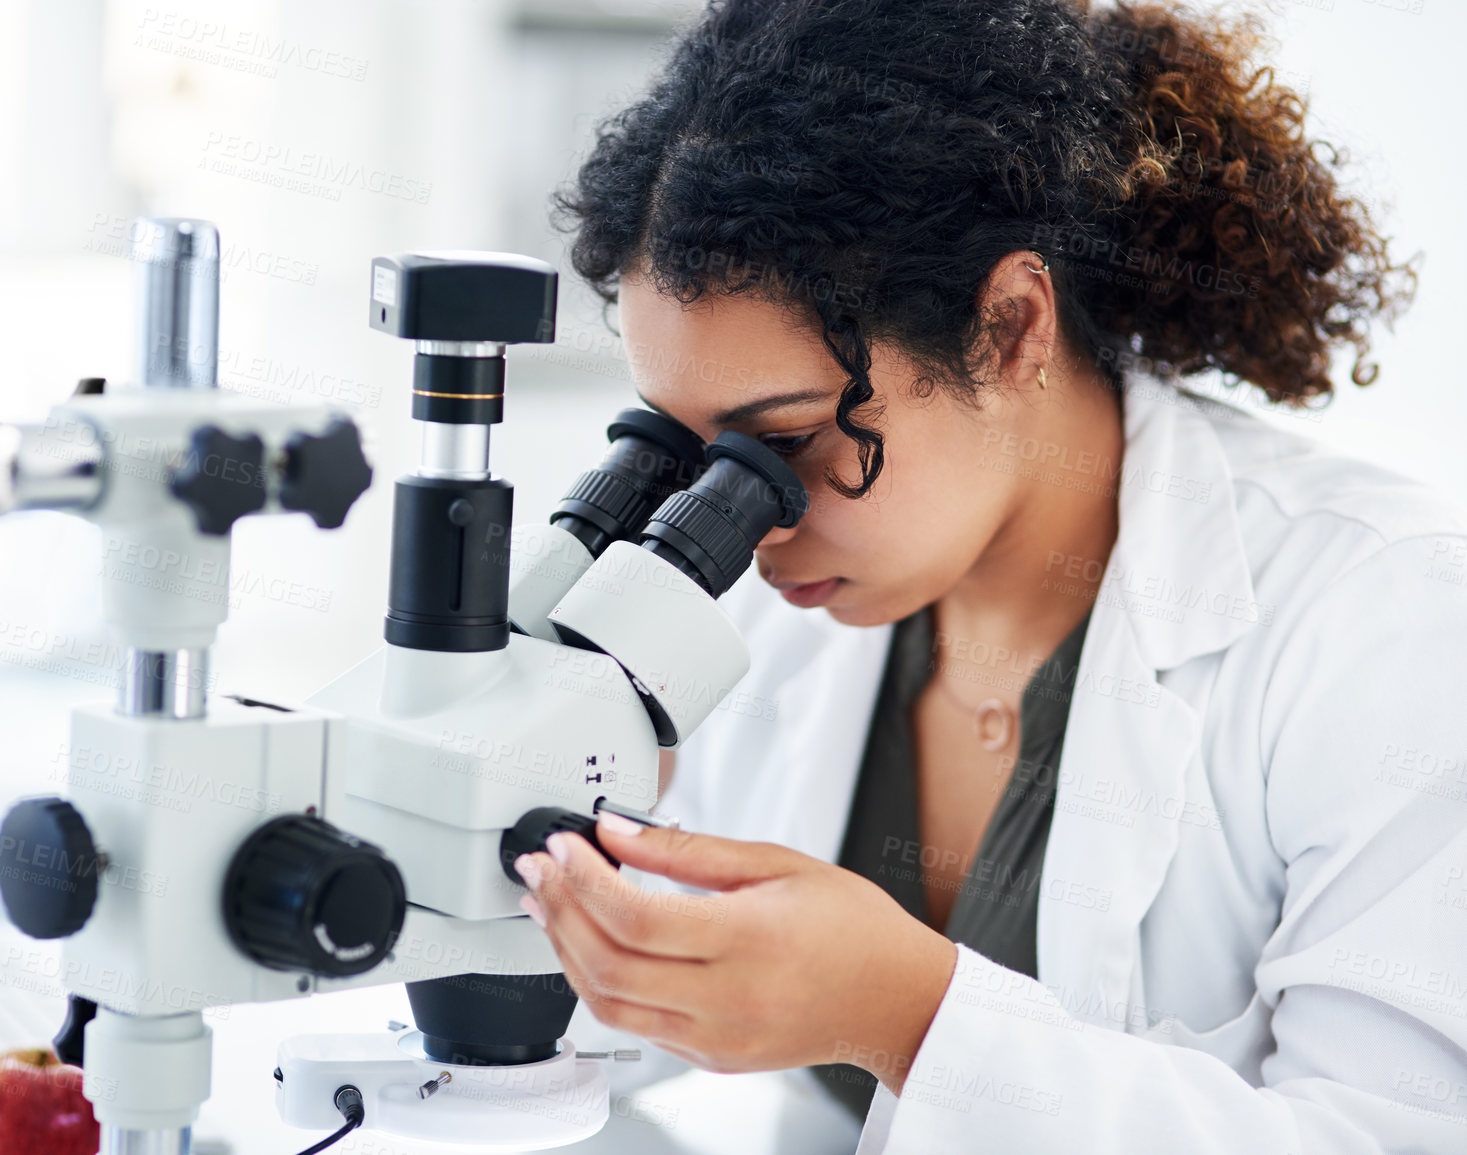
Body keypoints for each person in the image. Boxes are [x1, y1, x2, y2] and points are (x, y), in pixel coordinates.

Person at [505, 1, 1467, 1152]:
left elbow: (1396, 1132)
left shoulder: (1385, 613)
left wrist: (910, 1020)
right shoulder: (799, 621)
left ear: (1010, 326)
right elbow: (619, 1029)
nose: (747, 532)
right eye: (689, 455)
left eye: (790, 442)